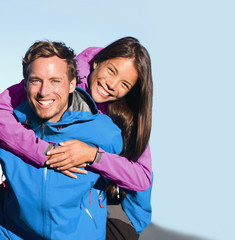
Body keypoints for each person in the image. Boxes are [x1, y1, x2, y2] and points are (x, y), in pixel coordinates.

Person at [0, 37, 153, 239]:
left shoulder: (119, 123)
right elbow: (3, 112)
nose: (111, 84)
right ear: (97, 63)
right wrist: (45, 152)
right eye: (111, 71)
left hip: (104, 212)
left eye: (124, 84)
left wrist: (92, 155)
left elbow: (141, 178)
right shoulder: (55, 76)